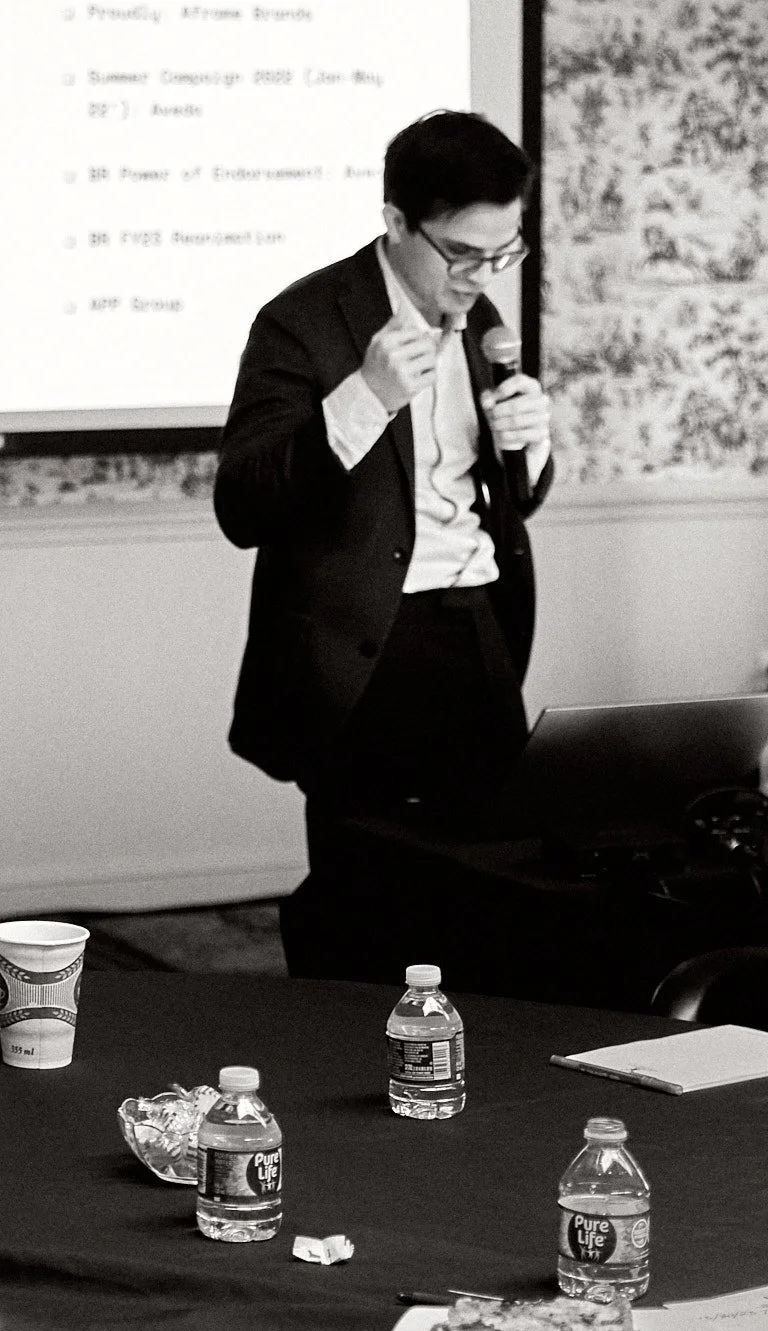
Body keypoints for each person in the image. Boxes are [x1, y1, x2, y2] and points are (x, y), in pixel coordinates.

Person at [213, 111, 555, 979]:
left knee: (496, 890)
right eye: (463, 255)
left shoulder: (480, 322)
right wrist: (363, 396)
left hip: (478, 633)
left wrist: (534, 447)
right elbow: (243, 505)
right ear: (397, 221)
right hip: (363, 650)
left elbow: (502, 497)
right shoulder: (303, 322)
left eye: (502, 253)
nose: (482, 278)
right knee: (372, 907)